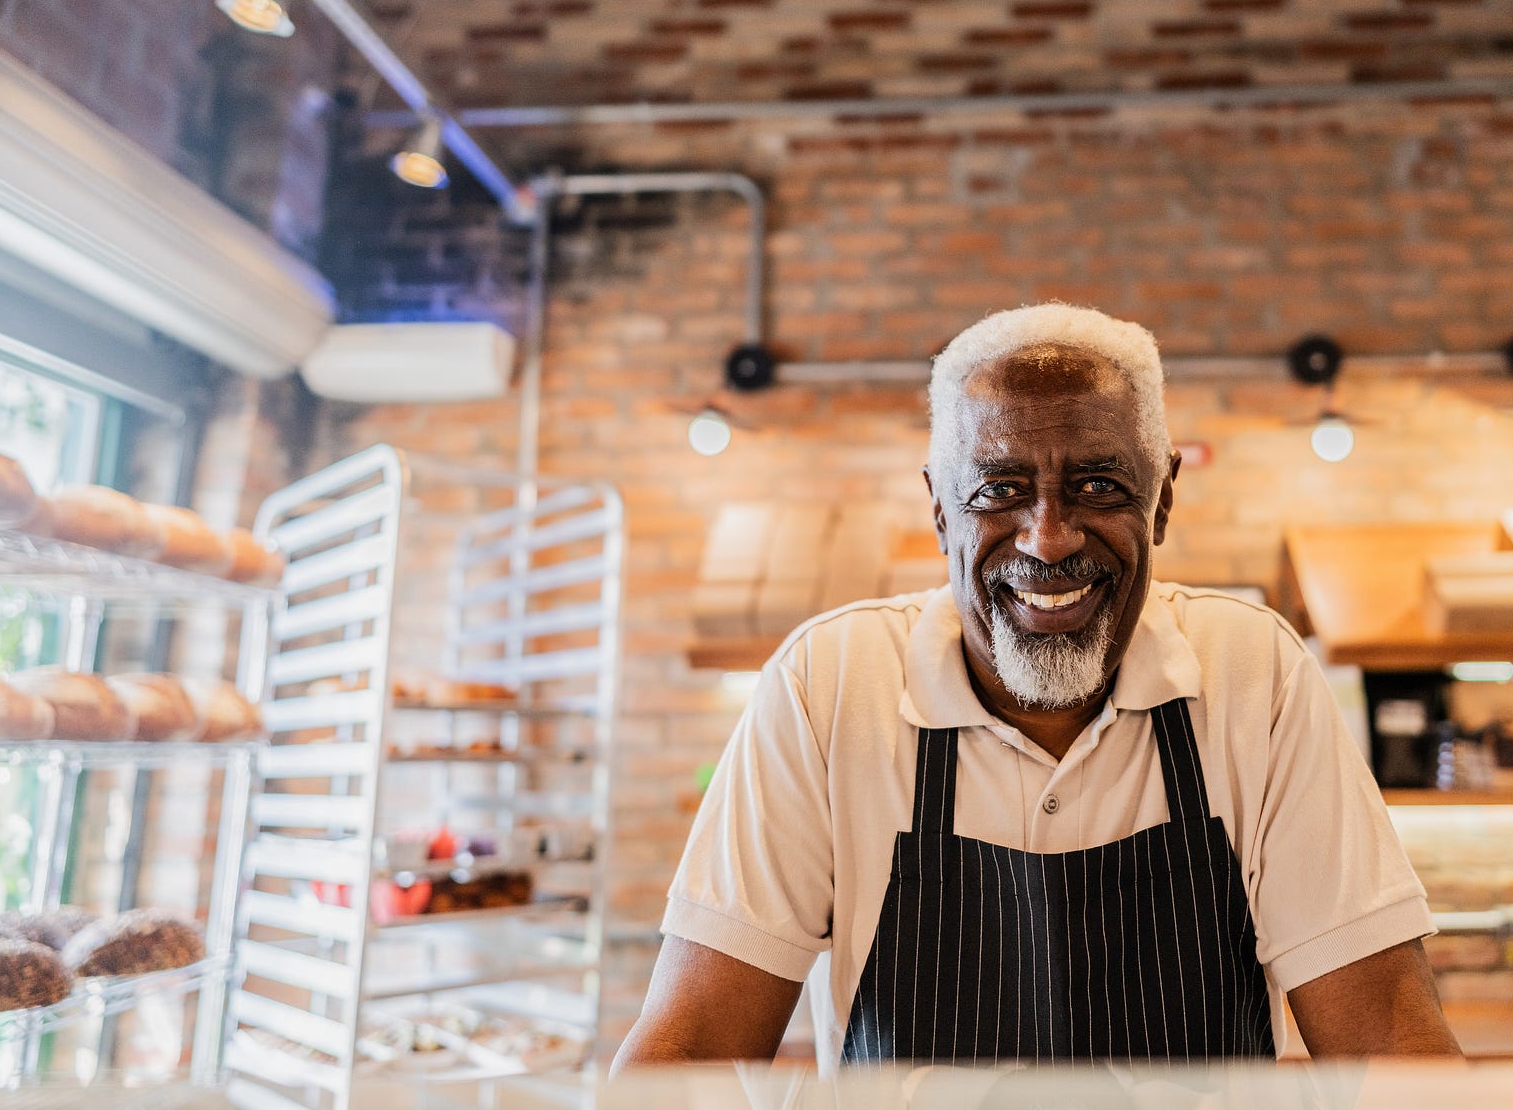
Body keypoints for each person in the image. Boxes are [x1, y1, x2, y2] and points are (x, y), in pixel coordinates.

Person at [618, 304, 1460, 1068]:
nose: (1048, 537)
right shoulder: (828, 687)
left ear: (1163, 498)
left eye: (1098, 485)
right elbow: (691, 1052)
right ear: (940, 509)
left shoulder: (1254, 676)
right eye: (999, 490)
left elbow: (1390, 1048)